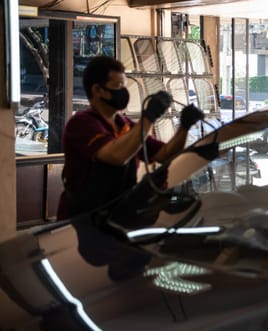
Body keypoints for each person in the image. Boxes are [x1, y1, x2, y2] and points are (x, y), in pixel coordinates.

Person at [57, 56, 204, 220]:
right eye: (118, 87)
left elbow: (164, 154)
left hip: (117, 216)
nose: (124, 92)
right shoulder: (81, 124)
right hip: (83, 221)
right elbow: (116, 156)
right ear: (98, 90)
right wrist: (148, 118)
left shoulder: (125, 125)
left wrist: (184, 127)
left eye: (124, 86)